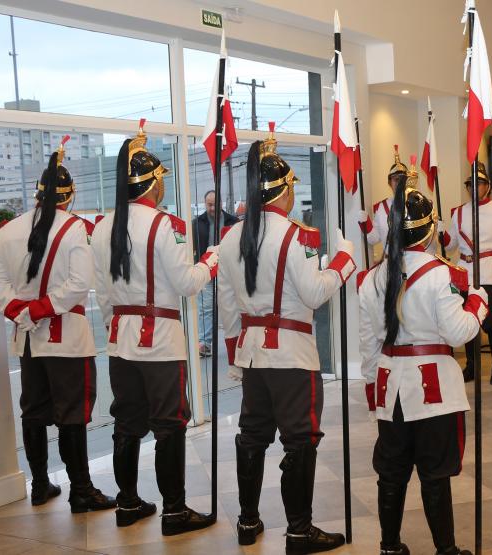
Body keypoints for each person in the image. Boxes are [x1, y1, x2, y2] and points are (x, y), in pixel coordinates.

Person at [218, 123, 355, 553]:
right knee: (299, 440)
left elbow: (226, 305)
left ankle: (247, 521)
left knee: (252, 435)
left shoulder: (229, 237)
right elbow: (314, 293)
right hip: (293, 357)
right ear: (282, 192)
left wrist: (234, 353)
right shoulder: (296, 236)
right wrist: (344, 265)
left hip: (253, 355)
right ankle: (298, 530)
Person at [92, 121, 219, 535]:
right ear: (152, 185)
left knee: (126, 423)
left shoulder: (102, 226)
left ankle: (127, 503)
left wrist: (117, 323)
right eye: (161, 180)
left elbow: (102, 291)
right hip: (160, 340)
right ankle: (174, 510)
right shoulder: (168, 226)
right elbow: (186, 284)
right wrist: (210, 262)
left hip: (119, 339)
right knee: (169, 424)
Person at [359, 164, 483, 555]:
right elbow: (458, 332)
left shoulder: (374, 276)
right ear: (430, 230)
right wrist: (478, 304)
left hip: (390, 383)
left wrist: (369, 385)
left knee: (391, 473)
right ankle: (445, 550)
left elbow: (369, 340)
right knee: (434, 473)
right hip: (432, 388)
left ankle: (389, 545)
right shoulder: (441, 275)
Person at [0, 137, 116, 513]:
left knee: (34, 410)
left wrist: (21, 311)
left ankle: (41, 484)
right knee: (72, 413)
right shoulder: (74, 229)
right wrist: (42, 309)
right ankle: (81, 490)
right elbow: (79, 283)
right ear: (69, 196)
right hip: (65, 338)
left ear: (37, 194)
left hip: (27, 338)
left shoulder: (7, 230)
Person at [442, 163, 492, 385]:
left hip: (490, 273)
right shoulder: (458, 212)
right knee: (467, 321)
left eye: (478, 184)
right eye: (470, 185)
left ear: (488, 186)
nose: (474, 188)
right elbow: (451, 244)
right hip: (465, 272)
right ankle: (472, 366)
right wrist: (440, 232)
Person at [192, 190, 239, 357]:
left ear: (220, 203)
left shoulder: (234, 222)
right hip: (206, 270)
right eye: (209, 204)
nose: (212, 208)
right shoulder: (197, 223)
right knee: (205, 307)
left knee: (233, 306)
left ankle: (238, 341)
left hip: (229, 270)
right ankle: (205, 343)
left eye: (214, 204)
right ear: (205, 204)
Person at [359, 145, 408, 256]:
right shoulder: (380, 207)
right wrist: (365, 222)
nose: (399, 183)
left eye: (402, 179)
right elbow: (374, 239)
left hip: (412, 264)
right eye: (395, 179)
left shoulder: (416, 204)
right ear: (389, 182)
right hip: (390, 264)